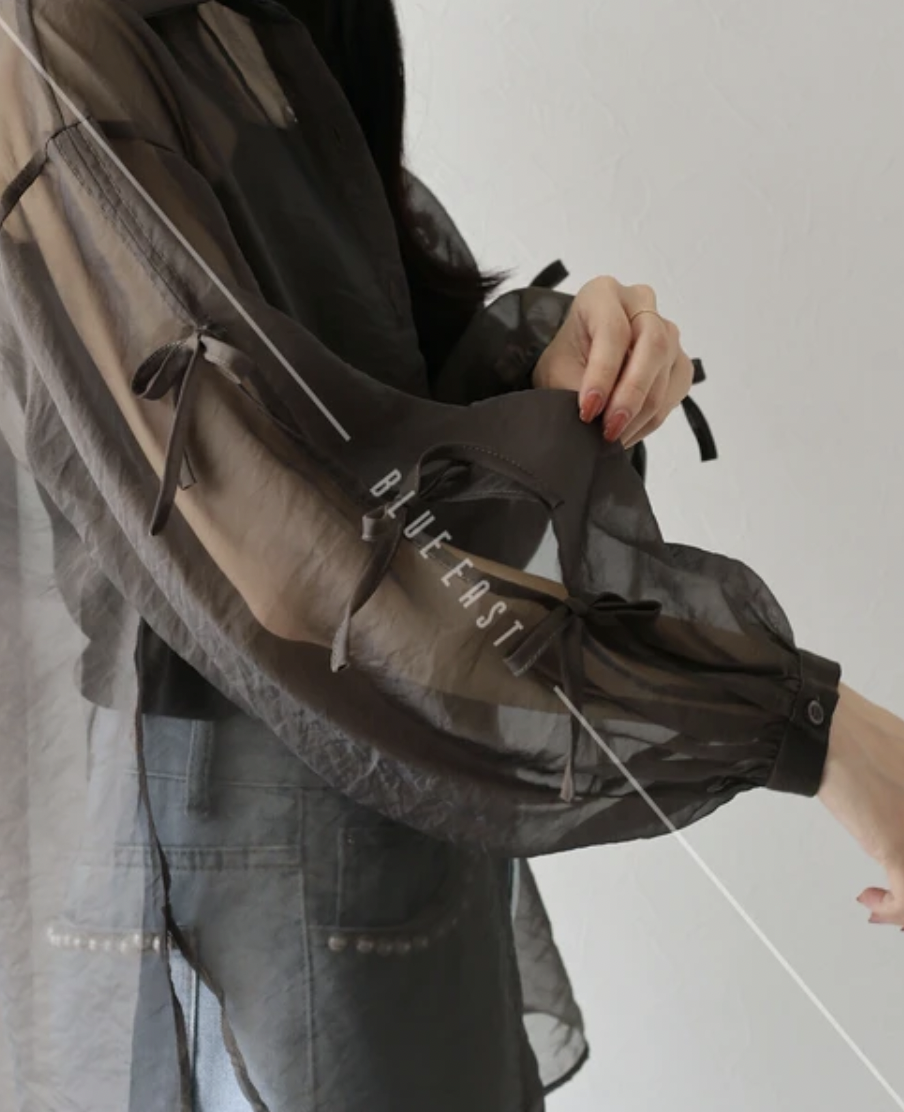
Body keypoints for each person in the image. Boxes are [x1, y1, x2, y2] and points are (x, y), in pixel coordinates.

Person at [0, 1, 900, 1111]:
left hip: (391, 786)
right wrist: (815, 728)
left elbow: (363, 413)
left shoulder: (270, 18)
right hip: (287, 797)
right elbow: (284, 542)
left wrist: (548, 365)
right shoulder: (58, 36)